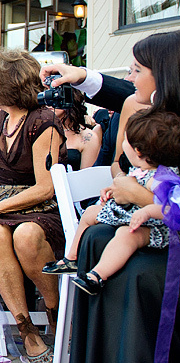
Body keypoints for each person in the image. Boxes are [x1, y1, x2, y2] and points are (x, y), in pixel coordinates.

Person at [57, 32, 180, 363]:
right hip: (142, 219)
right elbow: (121, 161)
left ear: (164, 75)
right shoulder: (144, 109)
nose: (129, 78)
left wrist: (138, 195)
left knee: (137, 266)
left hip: (167, 237)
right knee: (97, 239)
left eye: (137, 70)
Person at [0, 48, 66, 363]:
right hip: (9, 201)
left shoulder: (44, 122)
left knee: (26, 235)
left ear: (6, 86)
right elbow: (2, 158)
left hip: (43, 206)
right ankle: (26, 330)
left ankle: (55, 313)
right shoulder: (4, 119)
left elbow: (45, 187)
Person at [45, 112, 180, 288]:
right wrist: (111, 191)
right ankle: (72, 257)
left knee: (126, 236)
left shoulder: (159, 179)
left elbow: (171, 207)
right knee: (91, 212)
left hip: (154, 226)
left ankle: (97, 275)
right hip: (130, 215)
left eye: (125, 141)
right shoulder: (141, 169)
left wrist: (147, 211)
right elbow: (128, 186)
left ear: (137, 151)